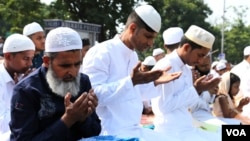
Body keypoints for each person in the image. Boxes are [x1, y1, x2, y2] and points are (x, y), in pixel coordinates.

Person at [82, 4, 182, 141]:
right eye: (148, 37)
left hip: (135, 130)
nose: (151, 43)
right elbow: (94, 96)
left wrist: (155, 82)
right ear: (133, 28)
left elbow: (134, 93)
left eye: (153, 38)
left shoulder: (133, 56)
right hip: (110, 133)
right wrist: (131, 81)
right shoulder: (101, 52)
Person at [9, 27, 101, 141]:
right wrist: (68, 119)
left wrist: (84, 118)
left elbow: (95, 132)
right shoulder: (26, 91)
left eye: (77, 64)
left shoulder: (83, 81)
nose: (72, 72)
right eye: (65, 66)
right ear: (47, 61)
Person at [151, 25, 221, 141]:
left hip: (187, 128)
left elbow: (189, 106)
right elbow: (164, 107)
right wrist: (196, 89)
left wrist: (202, 90)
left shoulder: (187, 70)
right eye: (200, 55)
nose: (201, 61)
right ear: (187, 47)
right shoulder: (165, 66)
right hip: (171, 133)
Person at [0, 34, 35, 141]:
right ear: (8, 56)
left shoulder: (24, 77)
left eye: (31, 59)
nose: (30, 63)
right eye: (26, 59)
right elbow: (3, 126)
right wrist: (20, 89)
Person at [190, 55, 241, 125]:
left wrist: (209, 92)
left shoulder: (213, 75)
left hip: (206, 117)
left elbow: (210, 99)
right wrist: (200, 90)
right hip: (194, 118)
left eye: (207, 65)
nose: (206, 67)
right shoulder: (190, 77)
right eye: (203, 65)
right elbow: (190, 105)